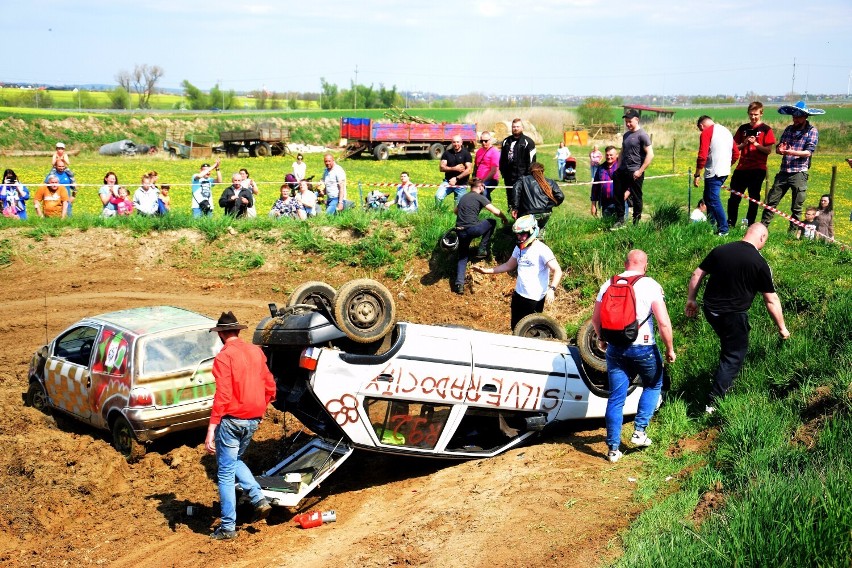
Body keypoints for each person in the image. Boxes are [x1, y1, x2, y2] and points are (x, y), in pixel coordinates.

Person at [685, 223, 790, 412]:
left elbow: (697, 273)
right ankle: (714, 403)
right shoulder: (759, 263)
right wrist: (782, 328)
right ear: (762, 238)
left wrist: (691, 299)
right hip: (732, 315)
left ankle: (723, 378)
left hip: (711, 310)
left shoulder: (720, 250)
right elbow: (771, 300)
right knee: (734, 354)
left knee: (730, 343)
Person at [592, 249, 675, 463]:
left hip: (615, 349)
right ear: (645, 265)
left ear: (625, 263)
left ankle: (612, 449)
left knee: (616, 397)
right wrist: (669, 349)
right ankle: (639, 431)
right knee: (653, 384)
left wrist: (602, 338)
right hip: (644, 347)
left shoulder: (608, 284)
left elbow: (595, 319)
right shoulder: (651, 285)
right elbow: (664, 322)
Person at [204, 311, 276, 540]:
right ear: (237, 331)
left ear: (221, 335)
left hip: (232, 420)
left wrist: (211, 428)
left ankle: (227, 527)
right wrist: (260, 409)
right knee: (234, 462)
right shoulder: (256, 351)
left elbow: (223, 395)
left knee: (225, 473)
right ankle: (257, 497)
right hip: (252, 419)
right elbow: (270, 387)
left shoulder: (224, 357)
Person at [473, 215, 562, 331]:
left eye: (522, 234)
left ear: (532, 232)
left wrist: (552, 289)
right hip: (519, 295)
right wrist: (486, 271)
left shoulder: (542, 249)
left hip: (534, 299)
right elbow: (508, 265)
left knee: (529, 330)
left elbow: (558, 270)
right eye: (517, 234)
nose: (519, 237)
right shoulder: (519, 248)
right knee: (515, 328)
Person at [761, 101, 823, 232]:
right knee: (771, 201)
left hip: (799, 173)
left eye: (798, 117)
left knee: (797, 206)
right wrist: (780, 149)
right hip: (784, 171)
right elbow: (779, 148)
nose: (795, 119)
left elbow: (808, 152)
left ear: (805, 117)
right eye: (793, 117)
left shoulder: (812, 131)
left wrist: (790, 152)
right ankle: (762, 229)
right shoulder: (788, 129)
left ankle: (792, 234)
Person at [451, 179, 509, 295]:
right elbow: (495, 211)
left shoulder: (464, 197)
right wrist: (504, 218)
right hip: (473, 229)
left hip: (460, 231)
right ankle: (482, 249)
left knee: (462, 256)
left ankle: (459, 285)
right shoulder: (479, 197)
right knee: (491, 222)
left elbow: (455, 211)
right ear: (481, 187)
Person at [728, 102, 776, 227]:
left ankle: (750, 225)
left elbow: (768, 150)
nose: (753, 117)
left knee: (753, 199)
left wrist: (756, 144)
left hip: (757, 169)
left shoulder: (766, 129)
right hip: (741, 168)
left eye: (756, 114)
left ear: (761, 113)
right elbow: (734, 147)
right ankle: (731, 223)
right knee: (734, 197)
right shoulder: (743, 129)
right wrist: (743, 144)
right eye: (751, 114)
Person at [693, 115, 740, 236]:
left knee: (713, 199)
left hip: (714, 171)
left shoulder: (706, 132)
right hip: (724, 170)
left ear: (701, 125)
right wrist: (727, 165)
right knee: (708, 197)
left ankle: (723, 230)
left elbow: (702, 156)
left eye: (700, 129)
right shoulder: (726, 131)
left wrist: (697, 174)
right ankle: (710, 225)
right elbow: (736, 153)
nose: (701, 131)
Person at [613, 109, 654, 227]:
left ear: (637, 120)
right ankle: (620, 219)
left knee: (636, 197)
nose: (627, 124)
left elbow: (650, 154)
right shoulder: (626, 135)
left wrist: (640, 171)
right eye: (626, 122)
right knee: (618, 194)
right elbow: (622, 152)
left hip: (635, 171)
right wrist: (618, 168)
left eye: (630, 121)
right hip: (623, 170)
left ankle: (636, 222)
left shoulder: (642, 135)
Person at [511, 162, 564, 232]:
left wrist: (515, 208)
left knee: (526, 234)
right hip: (545, 212)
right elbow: (560, 196)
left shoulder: (523, 179)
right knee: (540, 231)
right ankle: (539, 241)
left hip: (529, 212)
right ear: (542, 171)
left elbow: (516, 191)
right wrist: (550, 205)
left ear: (530, 170)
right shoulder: (550, 181)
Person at [499, 118, 537, 206]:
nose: (515, 128)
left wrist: (527, 177)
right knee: (511, 200)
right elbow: (502, 159)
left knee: (522, 200)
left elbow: (532, 162)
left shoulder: (528, 142)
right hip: (509, 177)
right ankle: (512, 217)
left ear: (522, 128)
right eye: (514, 127)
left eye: (518, 127)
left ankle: (522, 217)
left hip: (522, 176)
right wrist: (503, 172)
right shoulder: (506, 141)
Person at [435, 135, 472, 207]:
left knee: (458, 207)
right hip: (448, 181)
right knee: (438, 196)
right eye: (454, 142)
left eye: (458, 142)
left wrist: (456, 178)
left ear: (461, 143)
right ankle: (438, 212)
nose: (456, 144)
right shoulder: (447, 153)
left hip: (461, 183)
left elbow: (469, 170)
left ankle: (455, 217)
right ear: (452, 143)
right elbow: (441, 168)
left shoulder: (466, 154)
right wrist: (454, 168)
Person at [590, 146, 619, 219]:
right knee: (607, 227)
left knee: (621, 227)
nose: (609, 157)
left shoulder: (621, 166)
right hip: (606, 204)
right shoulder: (600, 168)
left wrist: (625, 196)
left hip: (620, 202)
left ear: (616, 155)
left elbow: (629, 183)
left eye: (611, 155)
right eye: (607, 155)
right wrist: (593, 205)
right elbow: (595, 187)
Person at [474, 131, 500, 199]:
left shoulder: (494, 152)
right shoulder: (479, 151)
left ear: (490, 140)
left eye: (485, 141)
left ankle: (488, 206)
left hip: (491, 179)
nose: (483, 143)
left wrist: (483, 181)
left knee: (483, 192)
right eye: (481, 141)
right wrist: (474, 178)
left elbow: (494, 170)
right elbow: (476, 166)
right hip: (478, 179)